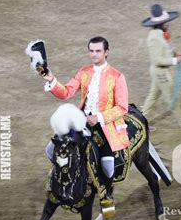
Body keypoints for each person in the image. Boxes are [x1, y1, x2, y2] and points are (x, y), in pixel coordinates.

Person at [41, 36, 129, 209]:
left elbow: (122, 108)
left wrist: (100, 117)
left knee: (107, 163)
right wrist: (51, 80)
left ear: (106, 52)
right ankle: (61, 179)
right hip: (81, 122)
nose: (94, 55)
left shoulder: (117, 76)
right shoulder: (84, 72)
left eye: (98, 51)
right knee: (51, 149)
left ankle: (107, 195)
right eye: (91, 51)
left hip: (105, 126)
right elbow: (66, 92)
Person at [141, 4, 181, 132]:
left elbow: (165, 49)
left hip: (159, 72)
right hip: (160, 73)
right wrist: (175, 60)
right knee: (172, 99)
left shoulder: (159, 34)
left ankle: (139, 124)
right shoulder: (153, 38)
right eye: (165, 22)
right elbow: (157, 60)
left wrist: (175, 54)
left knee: (152, 97)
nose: (168, 23)